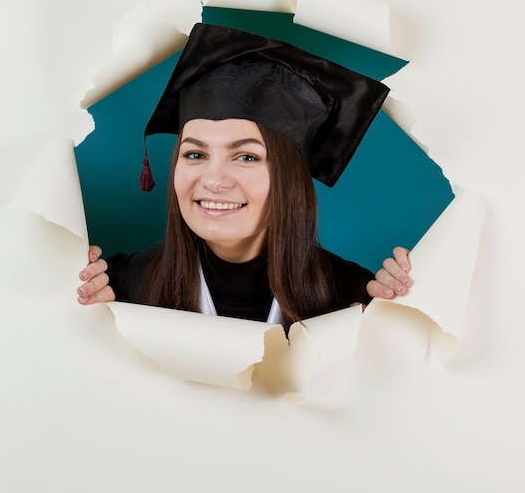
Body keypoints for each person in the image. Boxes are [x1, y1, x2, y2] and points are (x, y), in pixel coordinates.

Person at [77, 23, 413, 329]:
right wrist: (95, 325)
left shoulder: (351, 301)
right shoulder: (120, 288)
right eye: (195, 154)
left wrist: (397, 319)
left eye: (246, 156)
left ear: (290, 178)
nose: (213, 180)